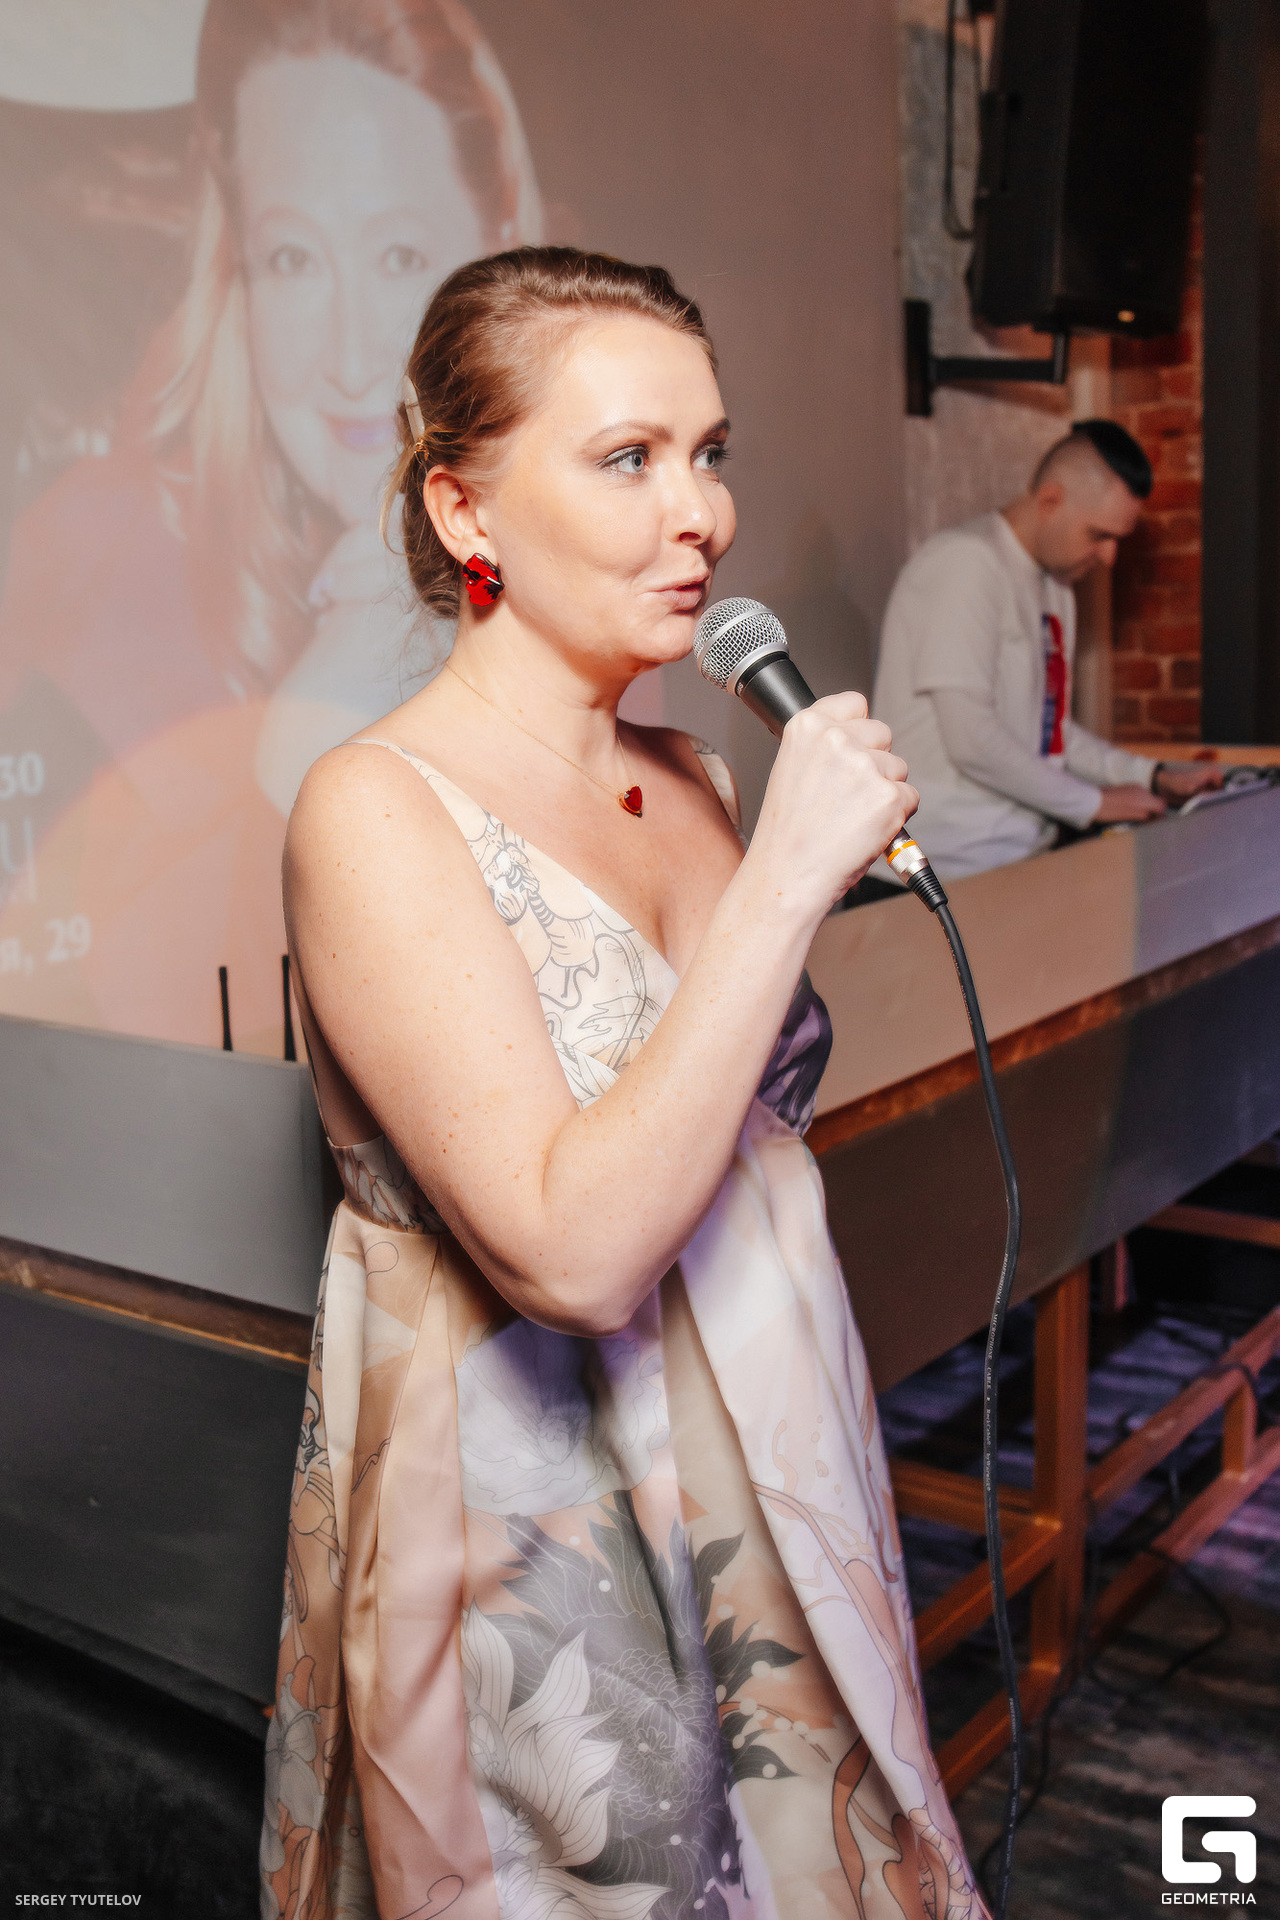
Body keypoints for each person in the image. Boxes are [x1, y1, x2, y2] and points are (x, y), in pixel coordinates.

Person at [261, 247, 989, 1920]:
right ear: (466, 512)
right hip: (550, 1537)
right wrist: (796, 873)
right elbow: (573, 1254)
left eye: (708, 452)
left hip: (773, 1473)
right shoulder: (372, 808)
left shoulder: (695, 770)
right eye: (626, 459)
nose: (701, 515)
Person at [0, 0, 540, 1052]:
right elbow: (162, 1057)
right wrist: (309, 725)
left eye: (398, 255)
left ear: (499, 252)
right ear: (236, 273)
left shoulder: (571, 547)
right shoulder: (99, 571)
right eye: (293, 258)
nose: (348, 354)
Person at [869, 420, 1220, 885]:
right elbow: (971, 739)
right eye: (1099, 535)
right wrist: (1094, 803)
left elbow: (1050, 736)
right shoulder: (965, 564)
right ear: (1051, 500)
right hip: (934, 872)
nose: (1110, 557)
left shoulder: (1057, 588)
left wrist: (1153, 775)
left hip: (1014, 858)